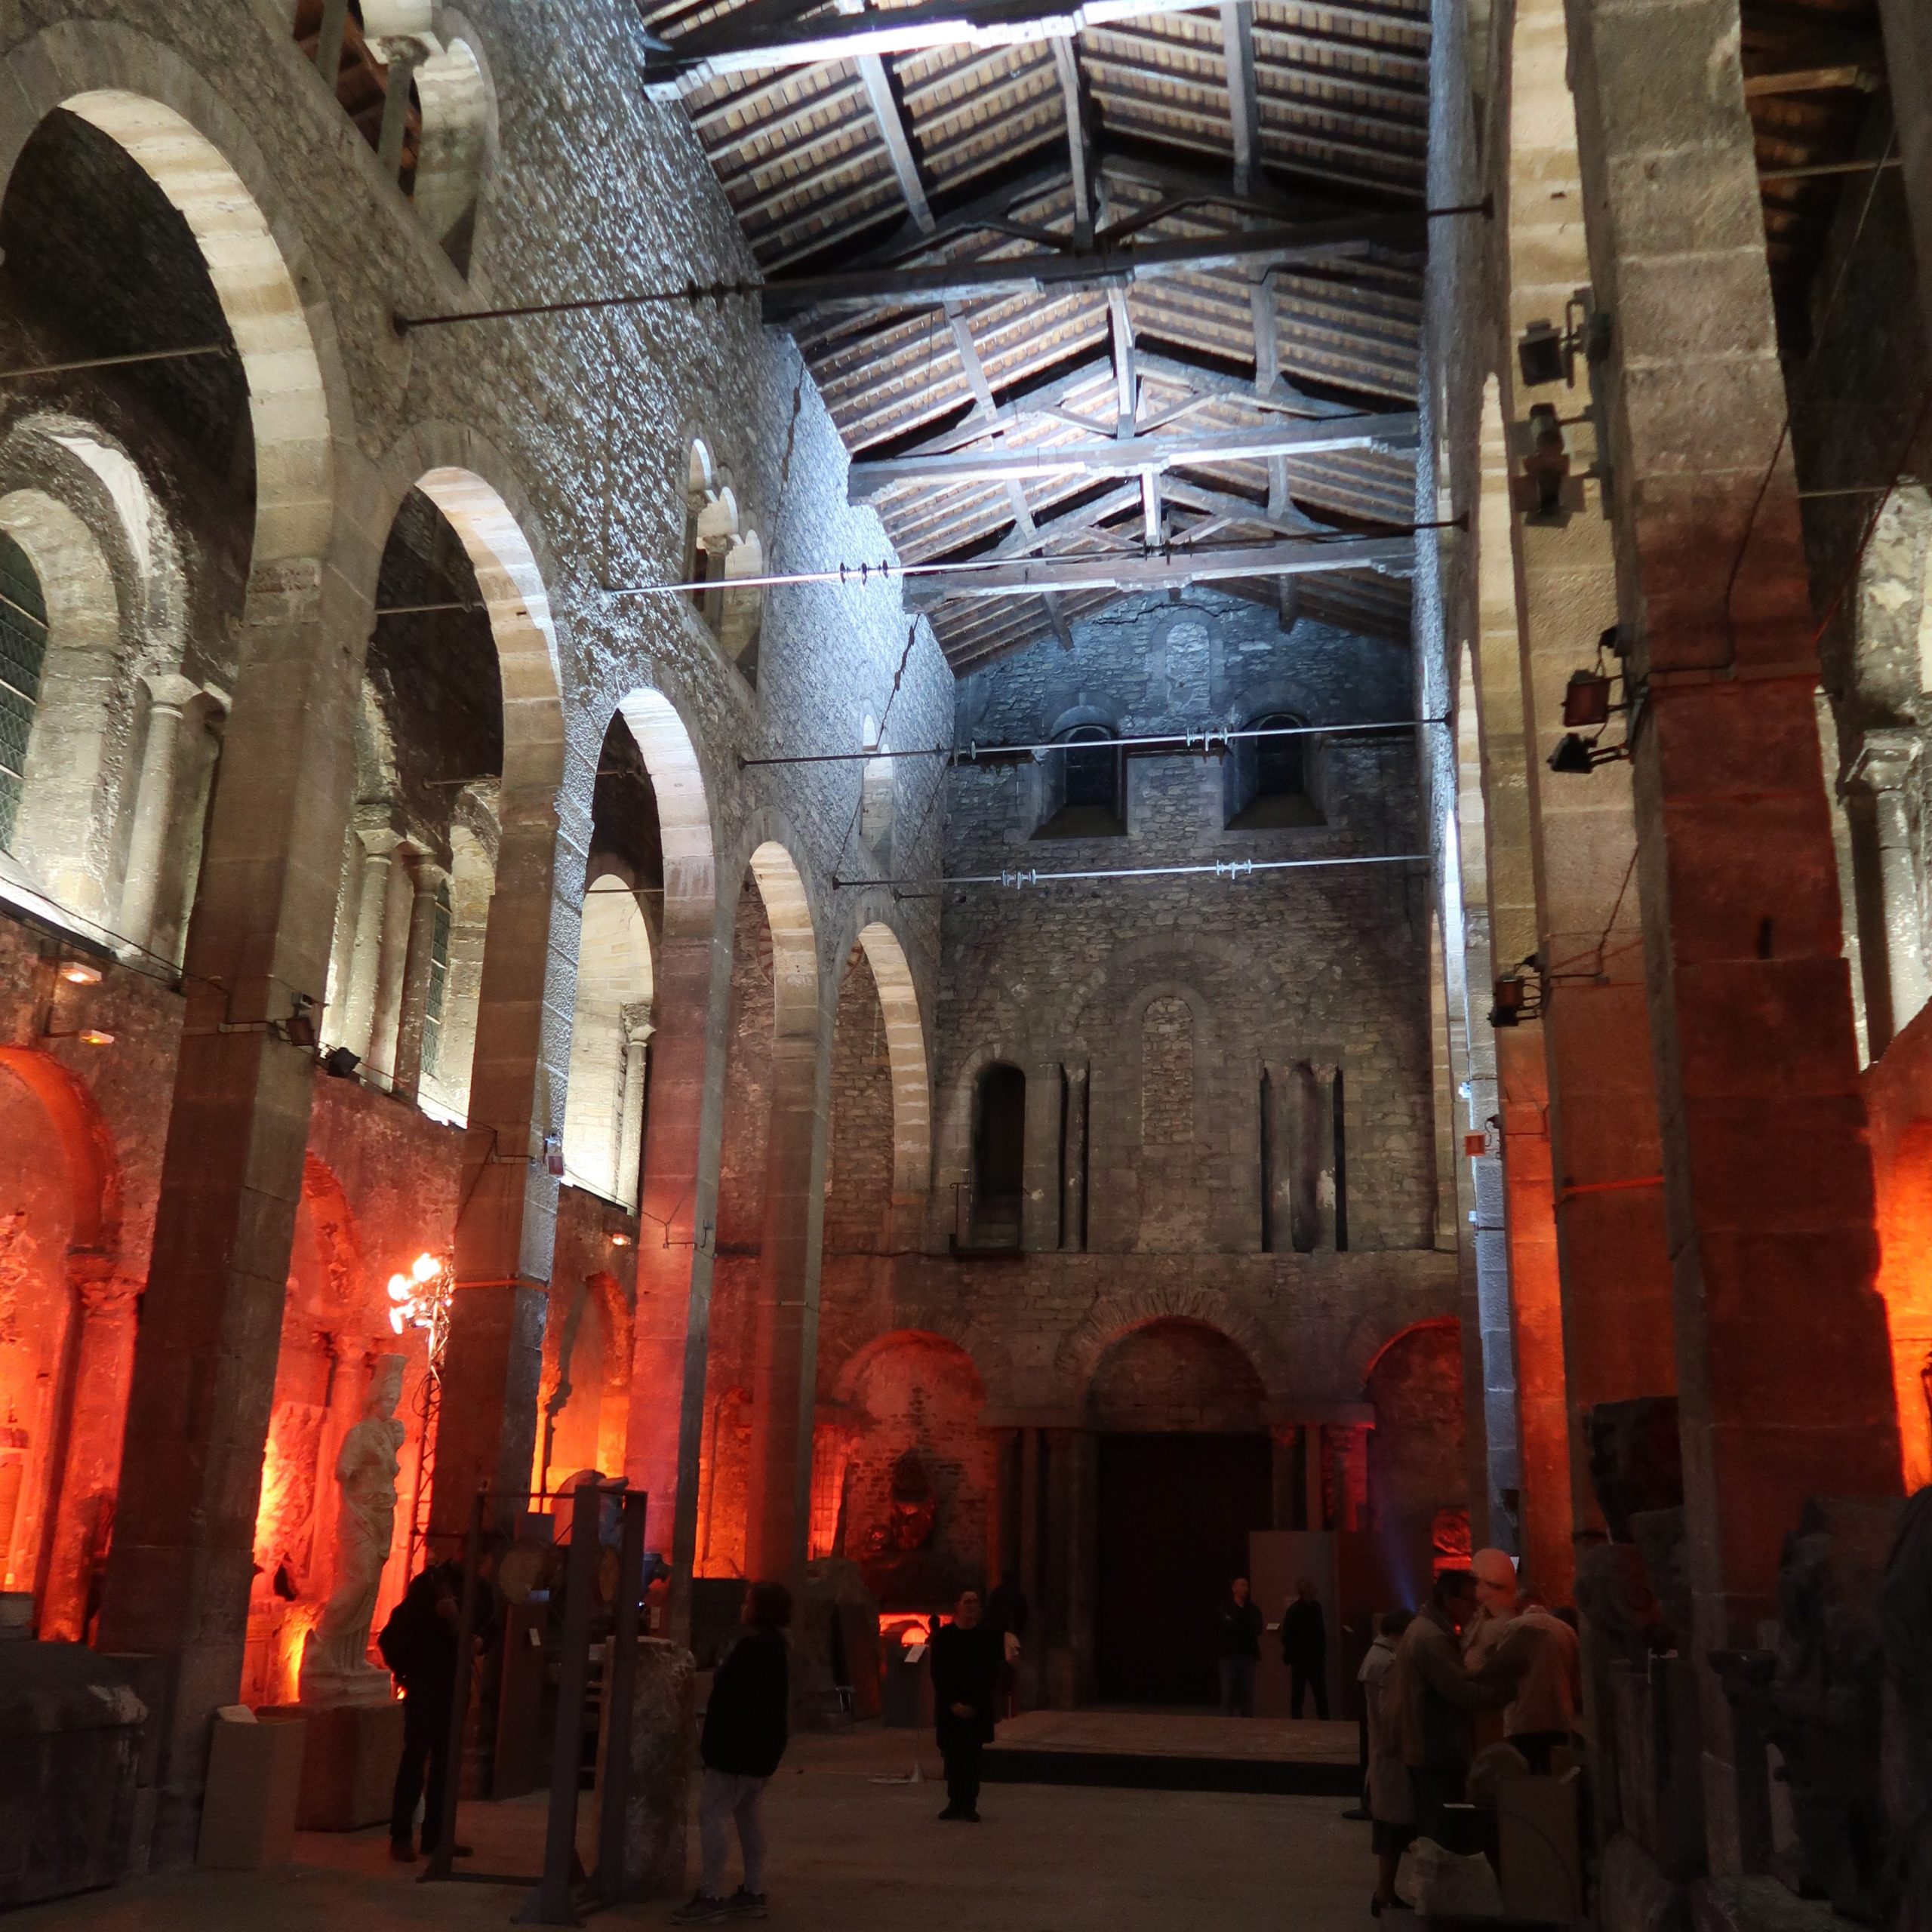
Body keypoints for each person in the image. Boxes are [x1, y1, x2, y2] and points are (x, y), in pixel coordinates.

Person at [674, 1580, 792, 1924]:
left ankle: (710, 1895)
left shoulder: (754, 1650)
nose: (743, 1607)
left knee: (712, 1814)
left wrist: (716, 1747)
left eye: (748, 1602)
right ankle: (753, 1891)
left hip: (737, 1753)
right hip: (757, 1753)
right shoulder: (775, 1649)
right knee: (747, 1815)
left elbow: (739, 1705)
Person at [1392, 1568, 1509, 1844]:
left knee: (1440, 1830)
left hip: (1435, 1746)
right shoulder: (1430, 1637)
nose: (1476, 1608)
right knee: (1444, 1835)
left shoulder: (1430, 1630)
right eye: (1469, 1601)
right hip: (1437, 1748)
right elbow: (1462, 1691)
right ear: (1448, 1599)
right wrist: (1508, 1687)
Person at [380, 1559, 469, 1863]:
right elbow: (393, 1636)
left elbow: (486, 1628)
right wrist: (406, 1673)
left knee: (445, 1763)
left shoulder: (477, 1589)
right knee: (415, 1758)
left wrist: (481, 1642)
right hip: (424, 1687)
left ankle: (436, 1837)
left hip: (453, 1688)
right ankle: (401, 1836)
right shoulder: (427, 1589)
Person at [1478, 1583, 1583, 1773]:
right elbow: (1577, 1679)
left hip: (1523, 1719)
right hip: (1559, 1717)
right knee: (1556, 1778)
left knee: (1528, 1779)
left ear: (1519, 1607)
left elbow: (1503, 1672)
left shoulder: (1514, 1627)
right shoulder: (1566, 1630)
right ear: (1544, 1603)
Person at [1358, 1609, 1415, 1917]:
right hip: (1392, 1760)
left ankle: (1385, 1893)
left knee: (1388, 1829)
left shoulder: (1375, 1656)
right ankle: (1385, 1893)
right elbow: (1390, 1715)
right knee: (1393, 1830)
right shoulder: (1390, 1663)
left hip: (1382, 1758)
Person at [931, 1589, 1000, 1821]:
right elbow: (938, 1673)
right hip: (951, 1708)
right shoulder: (944, 1637)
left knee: (972, 1757)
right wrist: (952, 1703)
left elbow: (990, 1673)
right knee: (953, 1756)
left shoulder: (986, 1637)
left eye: (975, 1602)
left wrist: (975, 1705)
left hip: (975, 1709)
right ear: (957, 1606)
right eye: (967, 1601)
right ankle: (954, 1801)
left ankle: (970, 1804)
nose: (972, 1606)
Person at [1215, 1575, 1265, 1716]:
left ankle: (1247, 1721)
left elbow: (1258, 1628)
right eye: (1242, 1585)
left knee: (1247, 1692)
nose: (1245, 1588)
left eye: (1246, 1585)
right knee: (1227, 1691)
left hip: (1248, 1654)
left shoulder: (1253, 1609)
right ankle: (1227, 1721)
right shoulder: (1225, 1607)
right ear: (1234, 1588)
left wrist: (1241, 1628)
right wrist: (1243, 1628)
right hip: (1229, 1655)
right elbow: (1226, 1625)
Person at [1281, 1577, 1330, 1719]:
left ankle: (1320, 1719)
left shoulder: (1314, 1608)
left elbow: (1320, 1633)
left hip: (1311, 1658)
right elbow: (1288, 1636)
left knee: (1316, 1692)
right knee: (1301, 1692)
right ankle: (1302, 1719)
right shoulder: (1296, 1610)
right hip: (1302, 1659)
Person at [985, 1569, 1029, 1719]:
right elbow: (1024, 1615)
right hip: (1010, 1635)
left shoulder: (996, 1593)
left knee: (996, 1681)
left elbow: (988, 1612)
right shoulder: (1019, 1595)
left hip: (994, 1638)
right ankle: (1008, 1713)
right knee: (1008, 1681)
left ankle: (997, 1712)